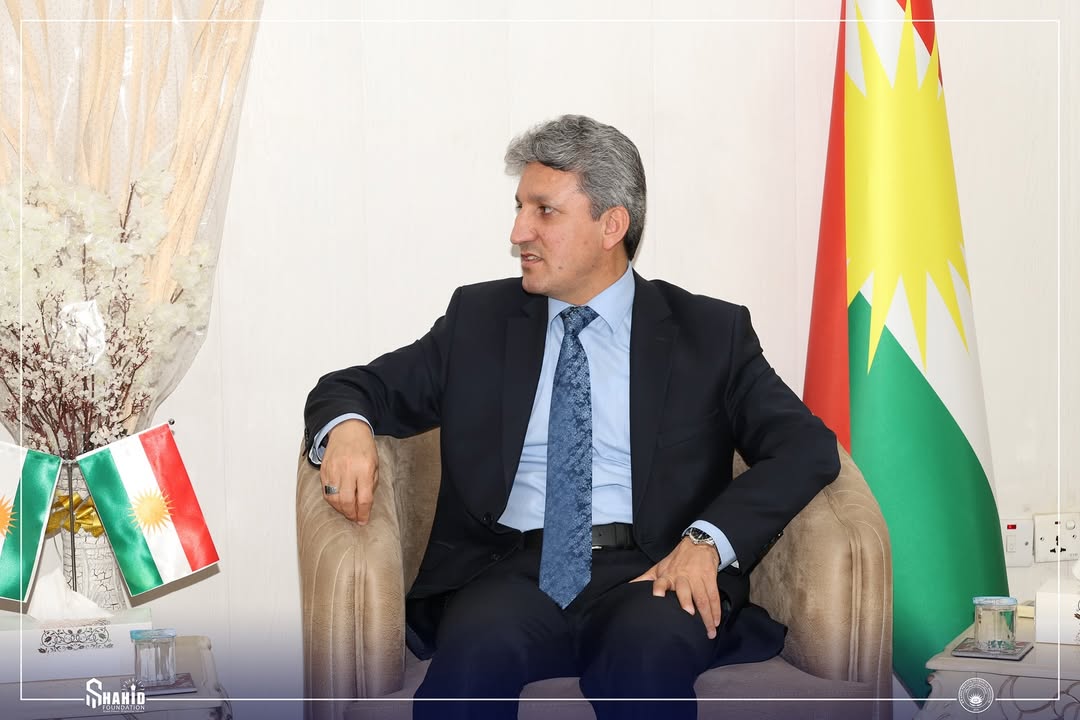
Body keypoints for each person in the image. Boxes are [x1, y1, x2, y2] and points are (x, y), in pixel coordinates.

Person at [304, 114, 839, 720]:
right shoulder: (480, 320)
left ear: (612, 225)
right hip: (510, 572)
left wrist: (706, 543)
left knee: (648, 662)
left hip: (654, 573)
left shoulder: (710, 334)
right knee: (472, 663)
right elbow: (352, 387)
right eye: (520, 208)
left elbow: (805, 447)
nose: (518, 232)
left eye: (545, 211)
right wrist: (349, 427)